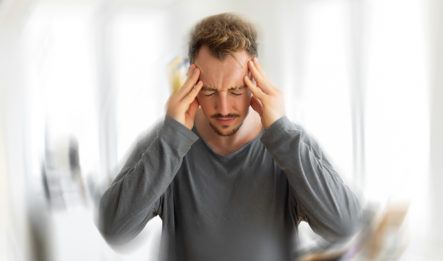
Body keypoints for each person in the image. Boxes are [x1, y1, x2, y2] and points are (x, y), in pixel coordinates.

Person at [98, 12, 362, 261]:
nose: (223, 108)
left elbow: (343, 226)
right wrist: (171, 139)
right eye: (210, 91)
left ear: (254, 82)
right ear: (192, 84)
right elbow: (115, 229)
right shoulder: (167, 141)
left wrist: (281, 132)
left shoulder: (289, 143)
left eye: (236, 90)